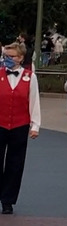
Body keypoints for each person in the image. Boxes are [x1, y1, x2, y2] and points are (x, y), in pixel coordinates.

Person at [0, 41, 41, 214]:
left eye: (12, 56)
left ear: (21, 58)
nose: (8, 59)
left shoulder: (30, 77)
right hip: (0, 124)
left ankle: (8, 200)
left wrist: (35, 125)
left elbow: (34, 101)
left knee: (15, 164)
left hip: (19, 125)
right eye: (5, 56)